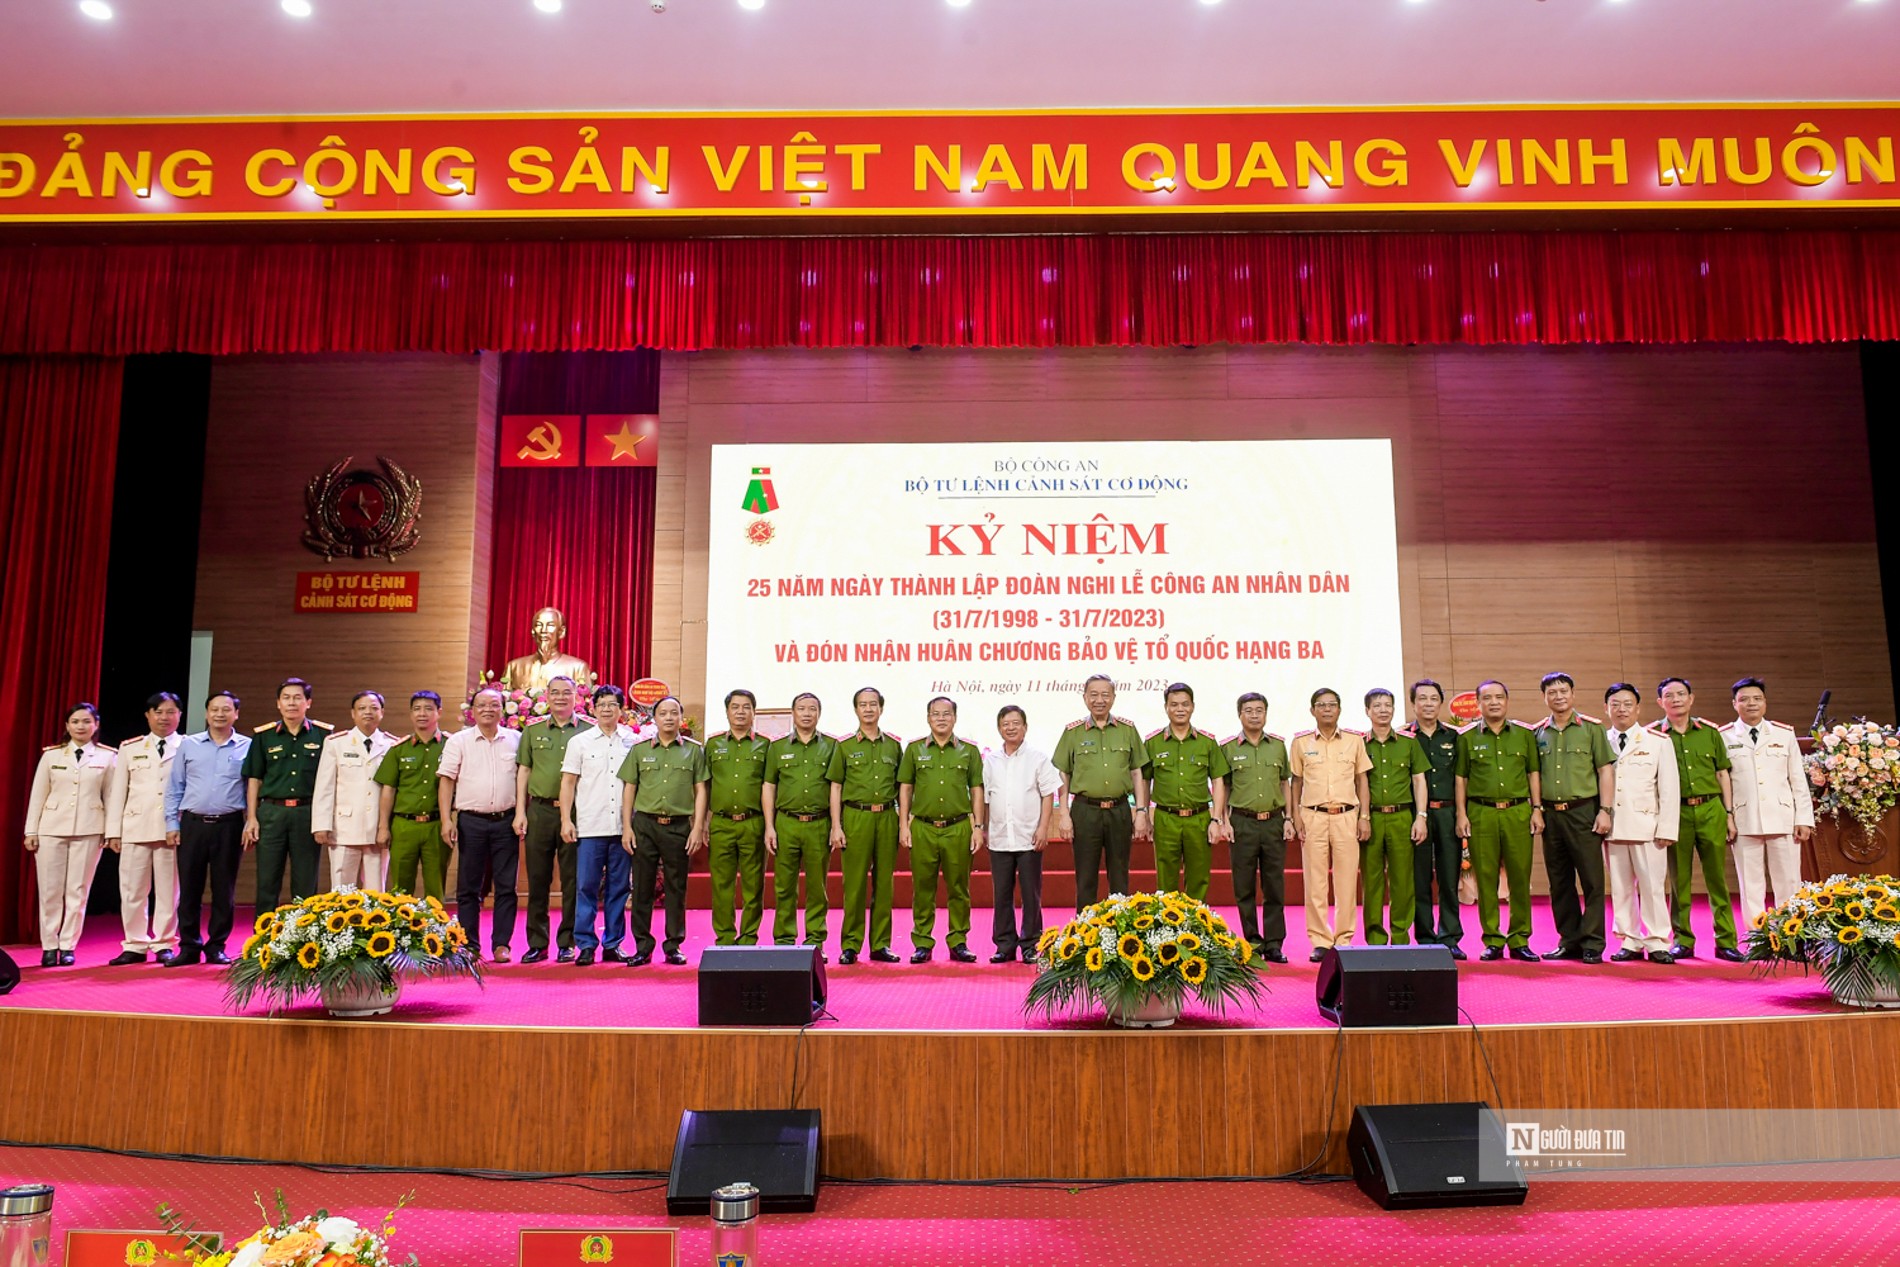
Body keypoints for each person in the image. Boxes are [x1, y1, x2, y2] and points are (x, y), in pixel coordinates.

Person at [1653, 677, 1743, 962]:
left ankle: (1726, 941)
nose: (1676, 699)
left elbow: (1722, 774)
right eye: (1670, 695)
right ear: (1660, 702)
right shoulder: (1655, 734)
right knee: (1679, 880)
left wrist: (1729, 814)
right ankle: (1682, 940)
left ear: (1691, 698)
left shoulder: (1710, 732)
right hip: (1675, 812)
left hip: (1710, 808)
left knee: (1717, 877)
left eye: (1682, 694)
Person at [1455, 680, 1543, 962]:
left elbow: (1533, 774)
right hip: (1482, 813)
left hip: (1518, 812)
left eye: (1499, 697)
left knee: (1520, 877)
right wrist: (1461, 813)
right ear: (1478, 704)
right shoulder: (1467, 737)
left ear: (1507, 700)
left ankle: (1519, 939)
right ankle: (1492, 939)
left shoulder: (1524, 735)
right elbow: (1461, 778)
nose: (1494, 702)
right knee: (1486, 878)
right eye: (1487, 698)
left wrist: (1537, 808)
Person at [23, 703, 115, 966]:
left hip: (89, 828)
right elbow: (38, 795)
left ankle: (68, 944)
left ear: (96, 725)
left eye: (87, 721)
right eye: (75, 722)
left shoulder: (107, 757)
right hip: (51, 828)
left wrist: (109, 832)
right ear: (67, 726)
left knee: (78, 890)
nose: (81, 726)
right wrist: (32, 829)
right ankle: (49, 945)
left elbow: (110, 797)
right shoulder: (52, 756)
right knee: (50, 890)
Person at [1532, 673, 1617, 963]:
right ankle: (1569, 940)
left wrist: (1605, 811)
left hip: (1584, 812)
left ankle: (1593, 943)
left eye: (1563, 691)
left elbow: (1605, 770)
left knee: (1592, 880)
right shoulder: (1538, 732)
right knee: (1560, 881)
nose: (1558, 696)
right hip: (1551, 816)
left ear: (1573, 694)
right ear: (1544, 697)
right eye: (1552, 692)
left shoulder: (1592, 729)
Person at [618, 695, 708, 966]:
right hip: (644, 825)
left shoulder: (694, 750)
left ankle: (673, 945)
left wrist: (698, 827)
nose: (669, 718)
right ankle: (643, 947)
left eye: (674, 713)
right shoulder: (639, 749)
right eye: (663, 713)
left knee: (676, 887)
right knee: (642, 887)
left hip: (679, 826)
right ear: (654, 719)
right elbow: (629, 789)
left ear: (681, 718)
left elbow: (701, 789)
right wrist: (626, 828)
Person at [163, 690, 251, 967]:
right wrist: (171, 823)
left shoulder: (247, 746)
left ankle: (216, 946)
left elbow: (251, 789)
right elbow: (175, 786)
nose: (220, 714)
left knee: (224, 890)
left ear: (236, 714)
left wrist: (251, 822)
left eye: (226, 709)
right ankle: (188, 946)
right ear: (206, 713)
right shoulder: (189, 745)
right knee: (189, 889)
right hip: (192, 824)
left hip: (229, 825)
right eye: (214, 709)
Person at [1051, 674, 1151, 909]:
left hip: (1120, 810)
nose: (1099, 700)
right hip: (1085, 811)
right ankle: (1086, 935)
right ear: (1085, 697)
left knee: (1119, 876)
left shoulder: (1127, 729)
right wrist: (1064, 813)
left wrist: (1141, 811)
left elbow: (1137, 772)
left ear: (1114, 697)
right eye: (1093, 694)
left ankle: (1119, 933)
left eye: (1105, 694)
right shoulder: (1073, 732)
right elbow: (1062, 773)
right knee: (1086, 877)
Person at [899, 696, 986, 963]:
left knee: (959, 888)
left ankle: (958, 941)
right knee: (923, 888)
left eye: (946, 714)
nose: (941, 718)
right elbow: (906, 787)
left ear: (954, 718)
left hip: (958, 827)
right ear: (928, 718)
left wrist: (978, 827)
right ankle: (922, 942)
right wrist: (904, 824)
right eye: (935, 714)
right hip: (923, 827)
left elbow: (976, 790)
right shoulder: (914, 750)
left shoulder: (968, 751)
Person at [438, 685, 523, 961]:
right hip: (470, 822)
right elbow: (447, 781)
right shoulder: (459, 741)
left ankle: (501, 944)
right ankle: (470, 944)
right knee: (469, 886)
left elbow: (524, 781)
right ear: (472, 711)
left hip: (506, 821)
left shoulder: (516, 739)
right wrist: (445, 820)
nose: (488, 709)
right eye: (482, 705)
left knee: (506, 886)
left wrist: (522, 814)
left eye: (494, 704)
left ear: (504, 710)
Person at [1724, 677, 1815, 929]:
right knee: (1750, 883)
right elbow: (1723, 783)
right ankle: (1757, 936)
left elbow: (1798, 779)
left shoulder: (1783, 734)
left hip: (1783, 818)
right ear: (1734, 704)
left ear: (1765, 702)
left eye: (1757, 698)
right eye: (1744, 699)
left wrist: (1804, 819)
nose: (1751, 704)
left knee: (1788, 880)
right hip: (1744, 819)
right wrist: (1727, 818)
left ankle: (1790, 934)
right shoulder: (1724, 736)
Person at [1288, 688, 1372, 962]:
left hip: (1347, 815)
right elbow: (1296, 782)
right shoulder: (1300, 743)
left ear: (1339, 709)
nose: (1327, 709)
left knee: (1347, 881)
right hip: (1313, 816)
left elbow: (1362, 781)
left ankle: (1344, 938)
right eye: (1321, 705)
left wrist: (1364, 817)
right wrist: (1296, 816)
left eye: (1332, 705)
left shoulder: (1354, 741)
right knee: (1315, 882)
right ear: (1312, 710)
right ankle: (1321, 940)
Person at [103, 691, 184, 965]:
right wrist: (113, 831)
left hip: (170, 829)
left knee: (168, 890)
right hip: (135, 826)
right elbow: (117, 793)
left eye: (171, 711)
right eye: (158, 712)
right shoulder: (130, 747)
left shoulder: (186, 746)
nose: (164, 717)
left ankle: (164, 942)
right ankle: (135, 944)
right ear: (148, 715)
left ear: (179, 715)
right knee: (132, 889)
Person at [1602, 683, 1680, 963]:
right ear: (1607, 708)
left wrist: (1667, 828)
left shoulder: (1658, 742)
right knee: (1621, 888)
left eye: (1627, 704)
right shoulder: (1599, 740)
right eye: (1615, 704)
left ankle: (1658, 940)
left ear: (1638, 708)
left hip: (1648, 828)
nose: (1621, 709)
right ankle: (1630, 940)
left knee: (1652, 886)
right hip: (1613, 827)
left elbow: (1670, 789)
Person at [561, 684, 638, 964]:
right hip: (589, 827)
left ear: (622, 710)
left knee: (619, 889)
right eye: (602, 704)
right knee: (586, 887)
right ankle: (586, 944)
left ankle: (613, 944)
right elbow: (568, 782)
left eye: (613, 704)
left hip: (622, 829)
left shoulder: (632, 741)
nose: (607, 709)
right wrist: (565, 820)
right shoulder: (579, 742)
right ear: (592, 709)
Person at [827, 687, 904, 965]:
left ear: (881, 708)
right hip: (855, 817)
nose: (869, 709)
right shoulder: (844, 746)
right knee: (855, 884)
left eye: (873, 704)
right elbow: (835, 786)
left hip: (885, 817)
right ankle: (850, 944)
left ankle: (880, 944)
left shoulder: (894, 746)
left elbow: (902, 787)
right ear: (856, 710)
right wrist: (836, 826)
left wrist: (903, 821)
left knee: (885, 884)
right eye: (863, 705)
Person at [242, 677, 331, 912]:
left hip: (307, 813)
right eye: (286, 698)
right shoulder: (264, 736)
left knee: (305, 884)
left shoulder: (324, 736)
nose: (292, 703)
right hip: (272, 813)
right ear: (278, 703)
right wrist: (252, 817)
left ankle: (302, 940)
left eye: (298, 698)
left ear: (308, 702)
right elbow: (254, 779)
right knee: (267, 881)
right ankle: (263, 941)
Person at [982, 704, 1061, 964]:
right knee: (1001, 894)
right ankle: (1004, 945)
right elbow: (984, 799)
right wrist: (982, 828)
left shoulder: (1038, 758)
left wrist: (1043, 828)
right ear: (999, 728)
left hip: (1029, 837)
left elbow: (1048, 793)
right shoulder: (990, 761)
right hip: (999, 837)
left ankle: (1030, 944)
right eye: (1006, 723)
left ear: (1025, 727)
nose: (1011, 727)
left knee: (1031, 894)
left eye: (1016, 723)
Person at [515, 675, 586, 964]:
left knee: (572, 880)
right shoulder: (532, 731)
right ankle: (537, 943)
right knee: (538, 879)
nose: (560, 698)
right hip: (540, 811)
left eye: (566, 693)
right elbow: (523, 772)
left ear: (576, 697)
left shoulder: (587, 732)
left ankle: (567, 941)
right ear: (546, 696)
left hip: (575, 813)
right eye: (554, 693)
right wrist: (521, 810)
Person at [764, 693, 837, 955]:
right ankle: (784, 941)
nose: (807, 713)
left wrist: (836, 825)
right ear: (793, 713)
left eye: (812, 709)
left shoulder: (831, 746)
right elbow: (769, 786)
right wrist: (770, 826)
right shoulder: (778, 747)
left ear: (819, 713)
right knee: (784, 886)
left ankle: (816, 942)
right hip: (786, 823)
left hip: (819, 823)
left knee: (818, 887)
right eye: (801, 709)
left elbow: (835, 788)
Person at [1144, 683, 1231, 903]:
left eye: (1185, 704)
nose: (1180, 709)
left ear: (1193, 707)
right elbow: (1144, 781)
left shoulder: (1207, 742)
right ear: (1166, 708)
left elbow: (1218, 781)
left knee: (1199, 877)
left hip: (1199, 819)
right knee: (1165, 879)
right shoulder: (1153, 742)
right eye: (1174, 704)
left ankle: (1196, 927)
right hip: (1166, 818)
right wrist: (1144, 815)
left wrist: (1216, 819)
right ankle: (1168, 929)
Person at [1223, 692, 1292, 963]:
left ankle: (1274, 943)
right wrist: (1223, 820)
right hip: (1242, 823)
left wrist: (1288, 818)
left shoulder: (1277, 746)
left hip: (1274, 821)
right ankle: (1251, 941)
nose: (1254, 715)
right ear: (1239, 714)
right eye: (1248, 710)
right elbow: (1224, 786)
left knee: (1275, 885)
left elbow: (1284, 782)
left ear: (1266, 713)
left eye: (1259, 710)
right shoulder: (1228, 748)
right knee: (1244, 886)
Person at [1402, 679, 1465, 958]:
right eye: (1422, 699)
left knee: (1450, 877)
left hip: (1448, 813)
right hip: (1416, 817)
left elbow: (1464, 778)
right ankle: (1425, 937)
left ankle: (1450, 937)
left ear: (1440, 703)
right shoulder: (1404, 737)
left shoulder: (1455, 737)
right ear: (1413, 703)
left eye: (1433, 699)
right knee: (1420, 878)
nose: (1428, 704)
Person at [1361, 688, 1428, 946]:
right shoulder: (1359, 744)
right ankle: (1375, 939)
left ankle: (1400, 936)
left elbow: (1419, 780)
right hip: (1372, 819)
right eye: (1377, 706)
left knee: (1402, 881)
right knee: (1372, 881)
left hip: (1402, 817)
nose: (1383, 710)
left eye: (1388, 705)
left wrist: (1420, 816)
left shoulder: (1409, 742)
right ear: (1367, 711)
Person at [312, 690, 397, 891]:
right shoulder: (336, 743)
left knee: (376, 893)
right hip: (344, 828)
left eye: (374, 708)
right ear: (353, 713)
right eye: (362, 708)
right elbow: (325, 786)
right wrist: (321, 824)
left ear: (382, 712)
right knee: (342, 890)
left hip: (378, 829)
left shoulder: (392, 745)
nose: (368, 712)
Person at [704, 689, 771, 946]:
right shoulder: (713, 745)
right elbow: (705, 786)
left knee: (754, 886)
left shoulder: (765, 745)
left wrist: (769, 826)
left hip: (753, 822)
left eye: (746, 707)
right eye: (735, 707)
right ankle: (725, 938)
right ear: (727, 711)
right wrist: (703, 824)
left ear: (754, 712)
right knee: (722, 885)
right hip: (721, 823)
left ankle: (748, 938)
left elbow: (769, 787)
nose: (741, 712)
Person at [375, 691, 449, 900]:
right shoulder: (399, 749)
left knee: (436, 886)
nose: (422, 714)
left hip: (436, 825)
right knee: (400, 888)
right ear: (410, 714)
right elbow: (388, 790)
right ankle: (402, 932)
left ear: (439, 712)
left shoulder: (451, 745)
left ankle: (436, 931)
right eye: (417, 709)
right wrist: (383, 827)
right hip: (404, 826)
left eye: (428, 708)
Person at [501, 605, 594, 693]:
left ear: (561, 632)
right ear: (533, 631)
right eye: (539, 625)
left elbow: (585, 704)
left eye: (550, 625)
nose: (543, 630)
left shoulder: (577, 668)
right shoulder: (514, 667)